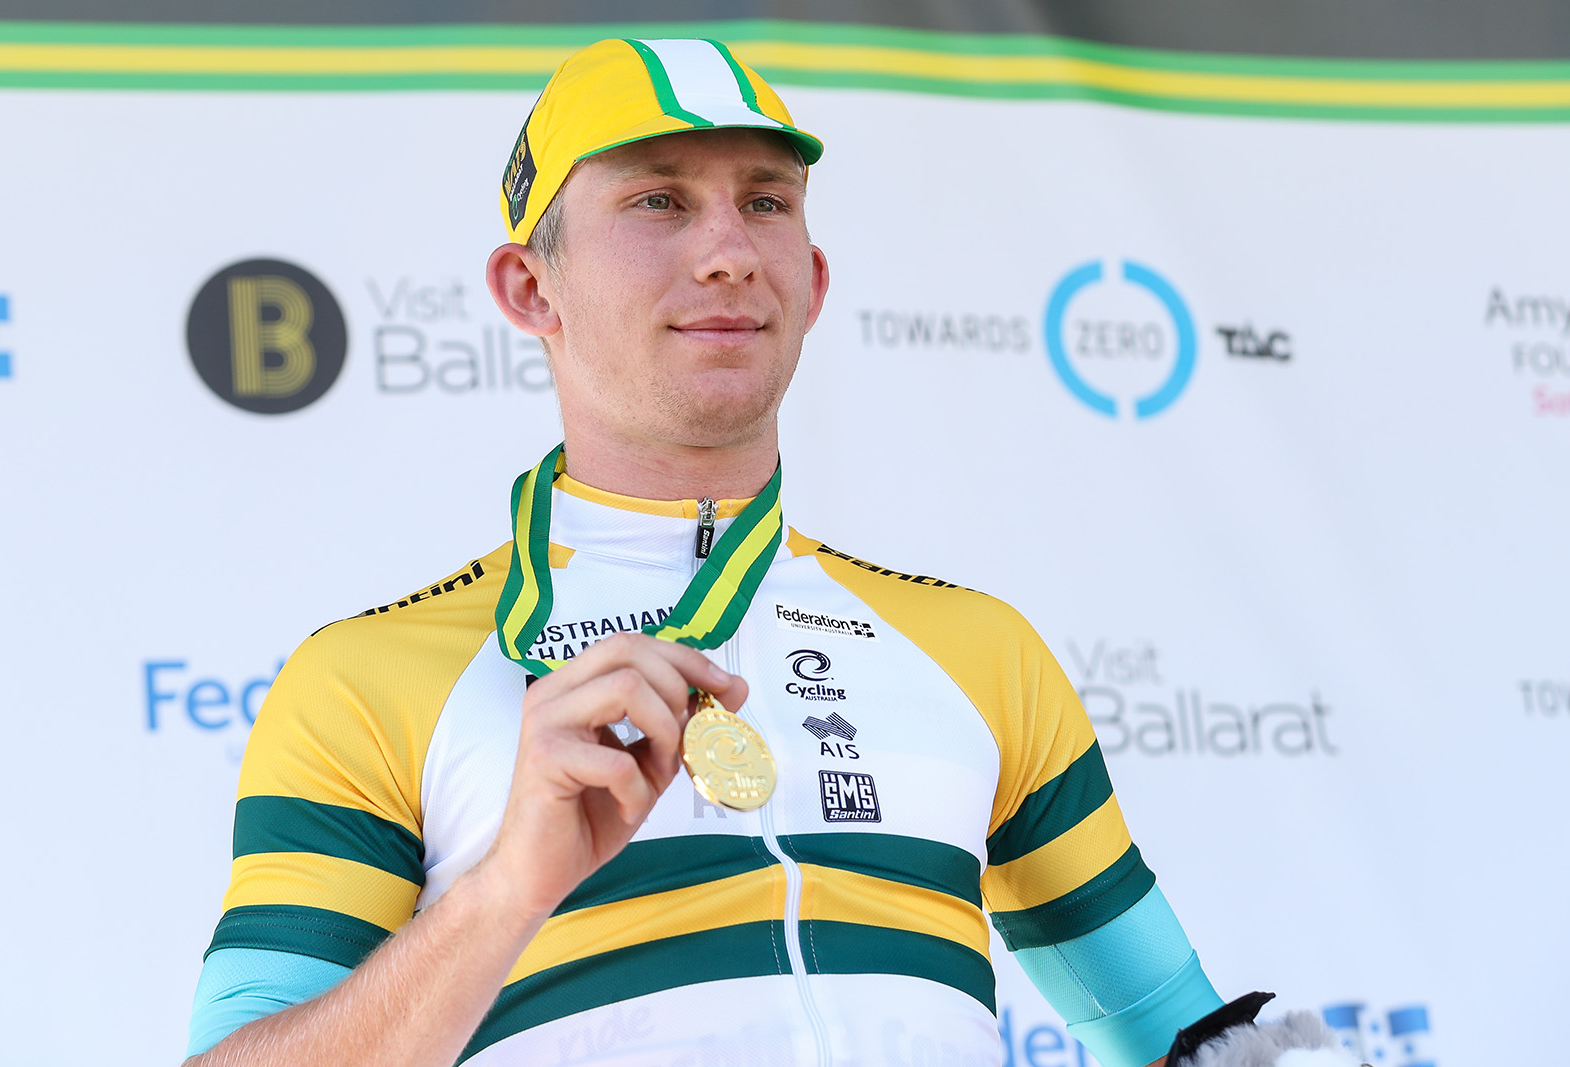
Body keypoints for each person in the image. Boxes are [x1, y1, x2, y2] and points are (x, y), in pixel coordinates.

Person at [184, 37, 1226, 1067]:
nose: (728, 249)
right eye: (659, 201)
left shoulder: (980, 647)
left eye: (765, 201)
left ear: (811, 282)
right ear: (529, 290)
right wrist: (506, 887)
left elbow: (1185, 1039)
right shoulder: (366, 679)